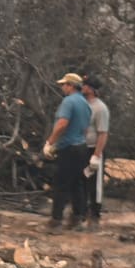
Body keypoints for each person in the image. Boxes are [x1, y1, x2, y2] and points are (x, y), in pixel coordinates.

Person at [44, 72, 93, 231]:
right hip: (81, 147)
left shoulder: (68, 102)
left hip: (68, 148)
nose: (62, 87)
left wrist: (50, 142)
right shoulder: (85, 104)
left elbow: (62, 124)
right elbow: (86, 129)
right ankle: (77, 219)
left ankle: (55, 221)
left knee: (61, 184)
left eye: (64, 84)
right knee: (77, 184)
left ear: (71, 86)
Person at [82, 75, 110, 227]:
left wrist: (96, 156)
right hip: (81, 148)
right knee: (82, 182)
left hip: (93, 149)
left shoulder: (100, 108)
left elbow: (103, 133)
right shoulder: (82, 104)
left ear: (91, 89)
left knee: (94, 184)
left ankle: (95, 214)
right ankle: (82, 212)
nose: (82, 87)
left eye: (85, 85)